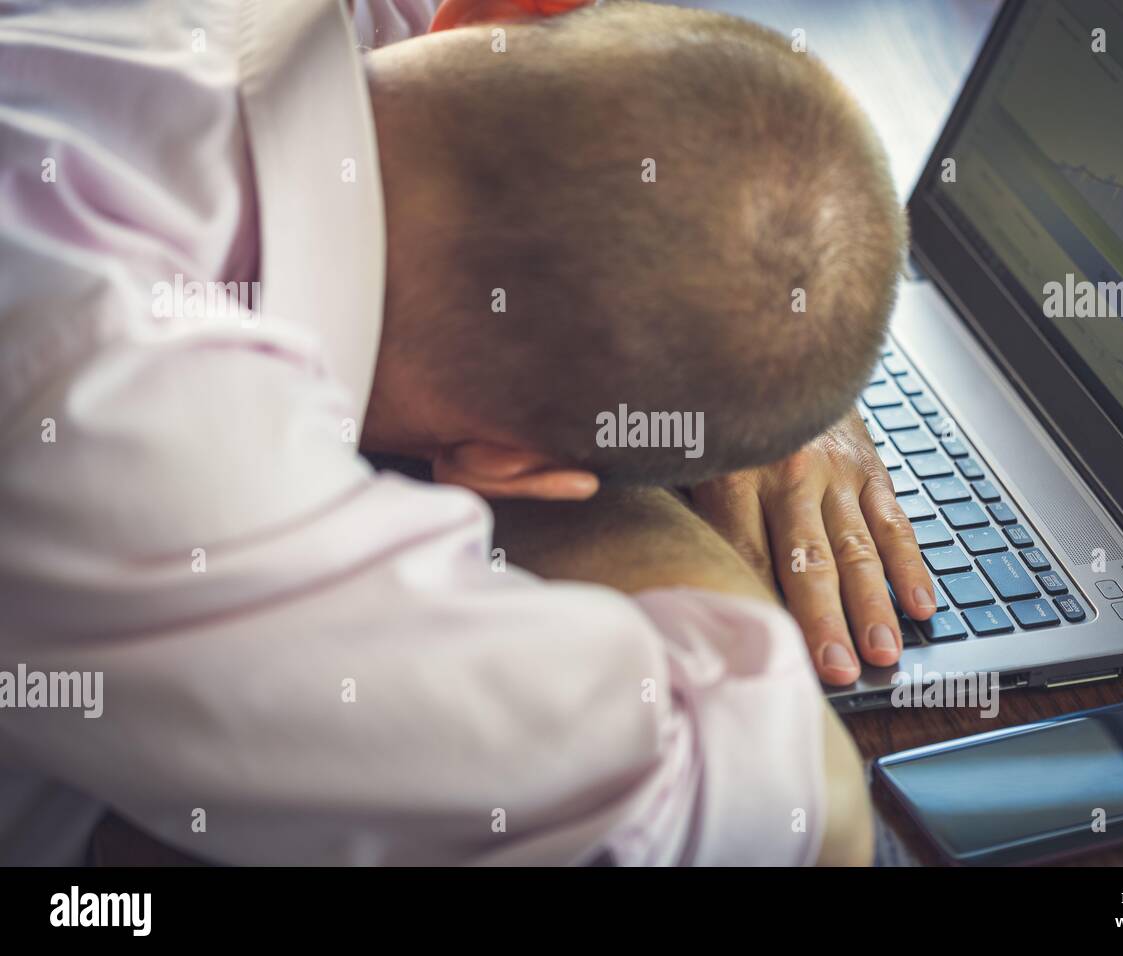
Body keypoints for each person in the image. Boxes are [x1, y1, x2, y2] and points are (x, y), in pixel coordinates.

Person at [0, 0, 923, 866]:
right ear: (508, 467)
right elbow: (797, 798)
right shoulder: (150, 446)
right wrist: (658, 451)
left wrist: (773, 286)